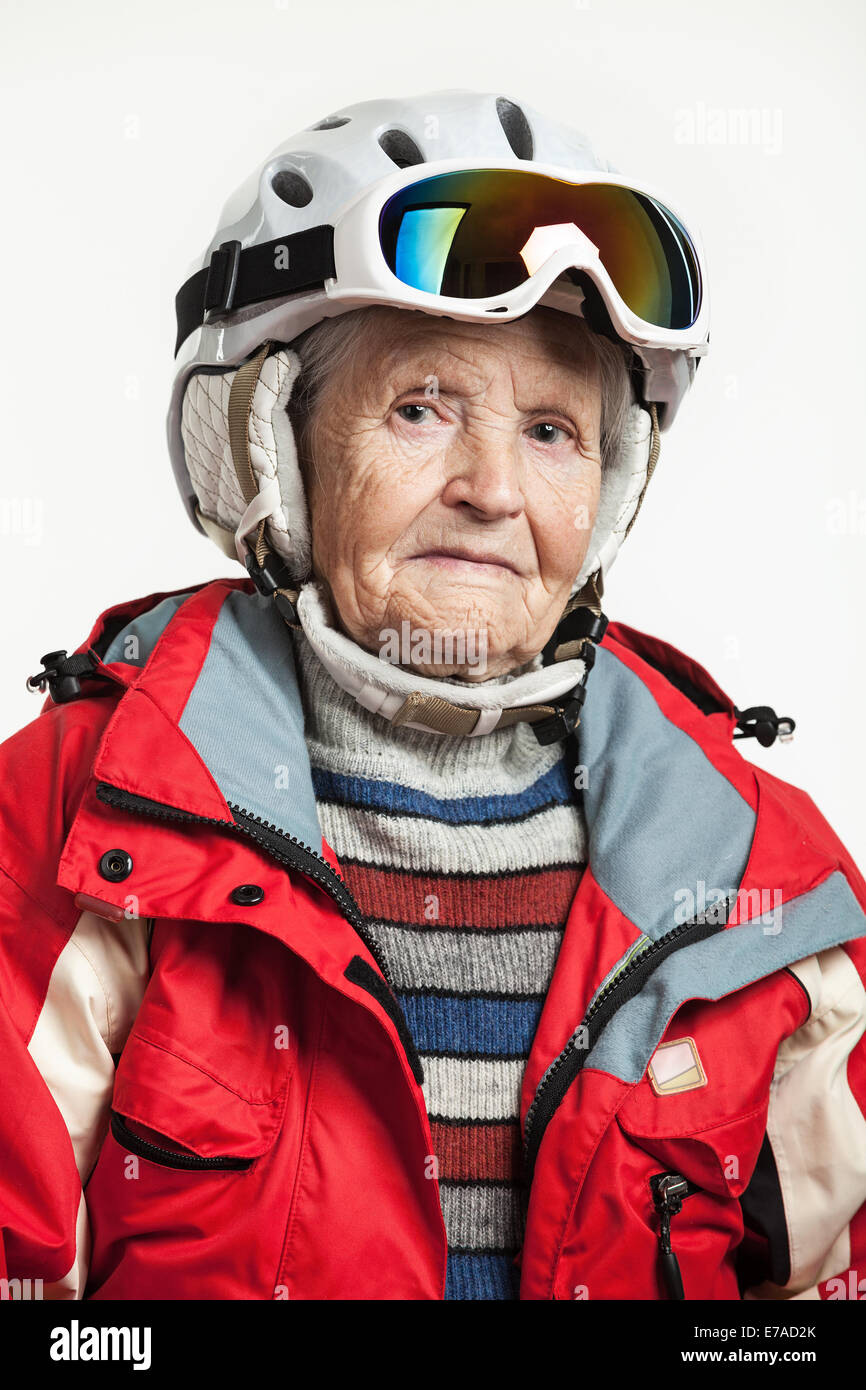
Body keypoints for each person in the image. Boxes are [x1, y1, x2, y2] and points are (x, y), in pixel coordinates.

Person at [1, 88, 864, 1303]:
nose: (493, 489)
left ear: (607, 487)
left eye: (554, 430)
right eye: (421, 408)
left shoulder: (760, 874)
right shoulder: (74, 814)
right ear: (270, 446)